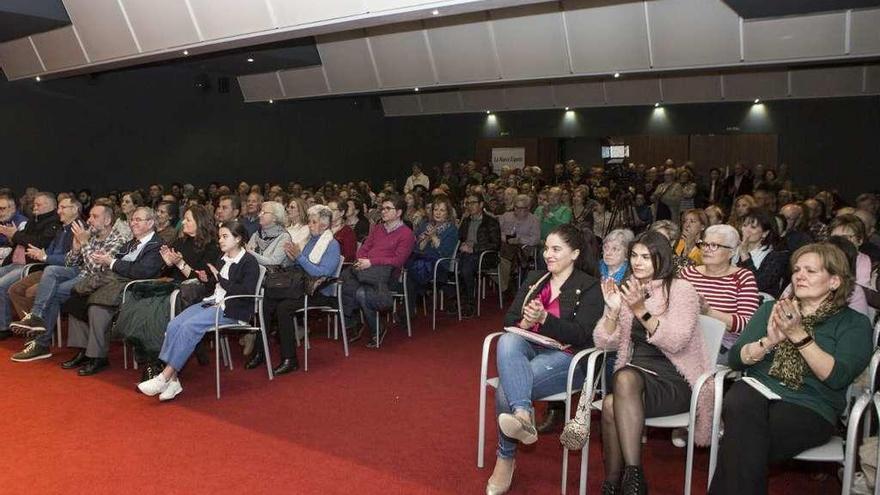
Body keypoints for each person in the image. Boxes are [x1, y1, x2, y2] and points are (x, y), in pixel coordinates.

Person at [709, 243, 872, 495]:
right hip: (758, 389)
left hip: (810, 405)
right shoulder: (770, 310)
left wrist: (798, 335)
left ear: (834, 281)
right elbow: (736, 359)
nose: (799, 275)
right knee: (740, 398)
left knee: (741, 440)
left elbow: (836, 376)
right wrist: (768, 342)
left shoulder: (854, 324)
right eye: (797, 269)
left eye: (811, 270)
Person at [486, 224, 603, 495]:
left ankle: (506, 457)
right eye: (546, 248)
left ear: (574, 254)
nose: (547, 255)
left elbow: (582, 335)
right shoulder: (535, 279)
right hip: (529, 347)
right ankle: (524, 414)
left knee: (508, 385)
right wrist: (526, 321)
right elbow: (509, 320)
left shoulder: (589, 287)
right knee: (507, 339)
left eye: (555, 249)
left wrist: (544, 320)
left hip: (567, 357)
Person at [593, 231, 712, 494]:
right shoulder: (631, 288)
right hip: (635, 383)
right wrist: (612, 311)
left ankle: (628, 479)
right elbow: (604, 343)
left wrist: (640, 310)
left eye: (646, 257)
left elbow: (676, 341)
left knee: (623, 380)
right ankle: (620, 482)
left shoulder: (681, 290)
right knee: (614, 398)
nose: (638, 262)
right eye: (634, 255)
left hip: (675, 379)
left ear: (661, 258)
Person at [137, 221, 260, 401]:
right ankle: (173, 381)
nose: (220, 240)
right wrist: (205, 279)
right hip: (214, 303)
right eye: (220, 236)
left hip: (233, 310)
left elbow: (246, 292)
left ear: (239, 238)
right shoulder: (222, 258)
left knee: (189, 327)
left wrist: (219, 279)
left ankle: (164, 376)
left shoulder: (249, 262)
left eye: (225, 236)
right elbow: (214, 286)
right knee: (175, 324)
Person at [10, 203, 128, 362]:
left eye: (95, 217)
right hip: (81, 272)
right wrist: (76, 248)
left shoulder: (117, 239)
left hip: (98, 279)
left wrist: (85, 244)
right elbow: (69, 262)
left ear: (107, 221)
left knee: (55, 292)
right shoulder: (90, 234)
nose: (90, 220)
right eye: (90, 216)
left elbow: (97, 269)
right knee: (51, 270)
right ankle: (36, 316)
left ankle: (41, 343)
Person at [115, 205, 220, 380]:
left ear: (200, 222)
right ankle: (150, 357)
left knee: (156, 309)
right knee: (140, 301)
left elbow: (203, 280)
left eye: (188, 219)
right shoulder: (180, 242)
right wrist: (166, 264)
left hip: (193, 293)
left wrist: (179, 264)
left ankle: (155, 363)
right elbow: (165, 273)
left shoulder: (212, 247)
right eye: (184, 219)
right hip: (173, 287)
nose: (183, 223)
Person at [59, 206, 165, 375]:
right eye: (132, 220)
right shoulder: (130, 243)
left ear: (150, 223)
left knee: (96, 307)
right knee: (75, 301)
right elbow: (117, 265)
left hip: (135, 289)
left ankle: (97, 357)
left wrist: (112, 263)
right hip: (114, 282)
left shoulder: (157, 245)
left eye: (138, 220)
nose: (133, 223)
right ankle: (84, 351)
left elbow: (142, 272)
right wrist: (109, 261)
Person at [248, 205, 341, 374]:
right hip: (300, 286)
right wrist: (293, 258)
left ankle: (290, 359)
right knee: (267, 300)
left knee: (283, 307)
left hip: (319, 291)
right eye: (310, 222)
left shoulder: (332, 244)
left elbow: (322, 273)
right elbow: (301, 265)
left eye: (314, 222)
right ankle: (260, 351)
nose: (310, 225)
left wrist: (299, 257)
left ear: (324, 225)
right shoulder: (311, 240)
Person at [341, 195, 415, 348]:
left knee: (361, 292)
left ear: (399, 212)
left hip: (388, 276)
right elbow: (364, 248)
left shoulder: (406, 234)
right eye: (383, 208)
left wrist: (371, 262)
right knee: (346, 281)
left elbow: (398, 261)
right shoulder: (378, 229)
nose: (383, 211)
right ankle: (355, 322)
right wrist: (361, 260)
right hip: (366, 270)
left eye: (388, 208)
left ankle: (375, 328)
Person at [2, 197, 78, 340]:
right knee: (14, 289)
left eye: (63, 208)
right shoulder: (59, 228)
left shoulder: (73, 228)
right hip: (45, 267)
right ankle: (31, 327)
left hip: (56, 269)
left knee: (27, 289)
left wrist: (44, 256)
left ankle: (37, 328)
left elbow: (69, 259)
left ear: (74, 210)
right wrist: (41, 255)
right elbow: (48, 250)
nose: (59, 211)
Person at [680, 224, 760, 360]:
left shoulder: (743, 277)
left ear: (732, 252)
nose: (706, 250)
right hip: (685, 337)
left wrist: (709, 312)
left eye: (714, 245)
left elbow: (747, 325)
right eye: (704, 244)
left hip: (721, 344)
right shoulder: (688, 273)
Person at [405, 195, 458, 302]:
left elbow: (445, 252)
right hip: (422, 264)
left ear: (448, 213)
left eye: (442, 210)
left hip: (440, 266)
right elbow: (418, 249)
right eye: (435, 209)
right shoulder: (426, 225)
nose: (438, 213)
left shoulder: (451, 229)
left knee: (410, 273)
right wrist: (425, 239)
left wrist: (433, 237)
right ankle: (411, 307)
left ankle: (413, 303)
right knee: (408, 264)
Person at [457, 193, 501, 318]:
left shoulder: (490, 221)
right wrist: (461, 222)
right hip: (466, 254)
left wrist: (474, 248)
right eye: (468, 203)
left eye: (473, 203)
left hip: (484, 255)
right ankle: (458, 298)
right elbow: (460, 237)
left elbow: (496, 244)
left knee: (466, 267)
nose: (469, 206)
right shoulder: (466, 220)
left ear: (481, 204)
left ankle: (469, 302)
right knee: (454, 264)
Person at [734, 208, 789, 299]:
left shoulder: (776, 255)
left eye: (753, 227)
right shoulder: (733, 249)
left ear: (765, 233)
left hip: (760, 301)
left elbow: (758, 283)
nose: (746, 230)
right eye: (744, 225)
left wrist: (744, 255)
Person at [497, 194, 540, 295]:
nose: (517, 210)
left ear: (528, 208)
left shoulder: (534, 220)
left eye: (521, 208)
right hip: (505, 245)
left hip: (524, 248)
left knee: (505, 257)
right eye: (516, 207)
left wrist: (520, 239)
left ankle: (507, 284)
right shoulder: (506, 216)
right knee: (501, 257)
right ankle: (508, 282)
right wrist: (503, 237)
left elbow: (535, 239)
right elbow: (496, 230)